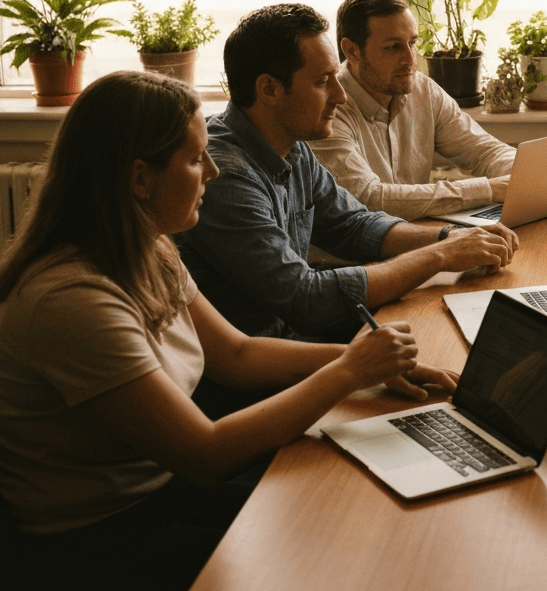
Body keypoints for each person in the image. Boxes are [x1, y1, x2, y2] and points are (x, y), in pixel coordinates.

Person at [0, 72, 459, 591]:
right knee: (336, 547)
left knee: (354, 505)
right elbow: (206, 455)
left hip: (161, 490)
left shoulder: (149, 246)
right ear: (139, 178)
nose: (214, 171)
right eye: (196, 159)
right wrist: (351, 370)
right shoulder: (69, 299)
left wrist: (365, 360)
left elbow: (236, 354)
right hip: (98, 542)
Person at [175, 4, 517, 343]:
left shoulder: (293, 146)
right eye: (324, 82)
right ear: (269, 90)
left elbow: (355, 225)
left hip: (298, 339)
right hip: (264, 368)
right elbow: (305, 299)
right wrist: (439, 256)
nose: (340, 95)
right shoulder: (224, 176)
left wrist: (449, 238)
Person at [308, 0, 515, 220]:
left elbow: (485, 152)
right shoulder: (328, 109)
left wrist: (524, 175)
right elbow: (368, 198)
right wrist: (488, 190)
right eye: (392, 47)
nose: (410, 59)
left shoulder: (424, 90)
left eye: (413, 43)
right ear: (352, 51)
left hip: (419, 236)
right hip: (357, 254)